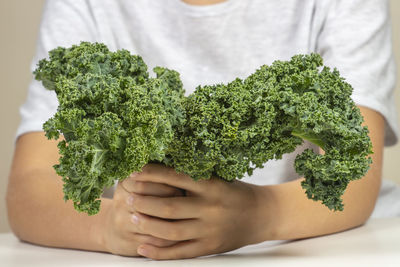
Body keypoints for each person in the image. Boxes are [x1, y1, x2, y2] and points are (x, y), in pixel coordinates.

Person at [6, 0, 400, 260]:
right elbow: (29, 192)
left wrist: (259, 215)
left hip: (329, 248)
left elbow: (353, 168)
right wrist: (114, 227)